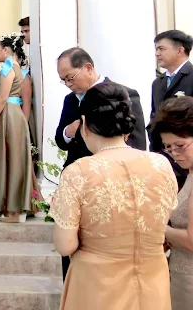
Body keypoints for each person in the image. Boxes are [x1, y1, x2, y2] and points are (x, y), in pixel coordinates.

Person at [48, 82, 178, 310]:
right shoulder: (161, 164)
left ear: (85, 124)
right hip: (152, 282)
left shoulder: (79, 172)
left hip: (97, 285)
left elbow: (65, 245)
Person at [55, 47, 146, 169]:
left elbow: (137, 143)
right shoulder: (70, 99)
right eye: (63, 80)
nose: (68, 84)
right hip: (77, 172)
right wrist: (68, 132)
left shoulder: (124, 95)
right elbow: (60, 140)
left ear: (88, 68)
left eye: (70, 78)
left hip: (112, 172)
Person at [0, 33, 34, 223]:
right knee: (15, 158)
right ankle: (16, 207)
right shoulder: (17, 67)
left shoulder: (7, 68)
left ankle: (14, 211)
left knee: (10, 158)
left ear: (6, 50)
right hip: (14, 113)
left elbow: (2, 98)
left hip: (9, 114)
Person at [151, 96, 193, 309]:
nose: (174, 154)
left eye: (180, 146)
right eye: (169, 147)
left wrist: (159, 227)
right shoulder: (190, 173)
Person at [150, 30, 193, 190]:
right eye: (156, 49)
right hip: (163, 156)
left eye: (161, 49)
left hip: (186, 155)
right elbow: (153, 116)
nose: (157, 54)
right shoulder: (158, 83)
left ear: (180, 50)